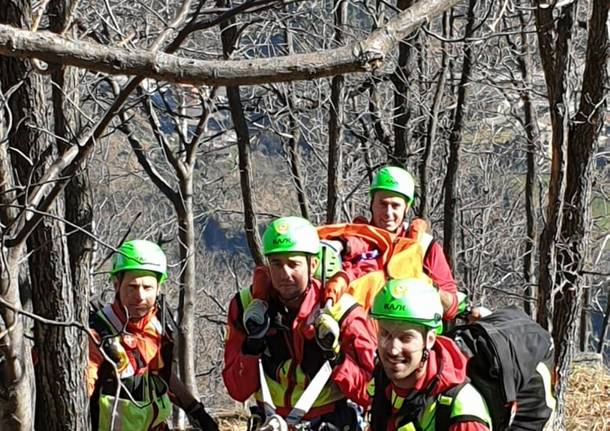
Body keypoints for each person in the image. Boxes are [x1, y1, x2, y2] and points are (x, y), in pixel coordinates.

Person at [223, 216, 377, 430]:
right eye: (276, 264)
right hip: (270, 421)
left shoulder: (343, 311)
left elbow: (370, 393)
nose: (285, 274)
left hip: (327, 422)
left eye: (294, 264)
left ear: (312, 264)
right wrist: (252, 347)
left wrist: (336, 358)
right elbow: (237, 390)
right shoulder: (244, 307)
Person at [88, 239, 218, 431]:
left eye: (147, 287)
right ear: (116, 285)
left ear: (159, 288)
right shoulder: (97, 334)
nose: (140, 296)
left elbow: (162, 374)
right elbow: (81, 389)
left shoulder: (157, 327)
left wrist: (196, 411)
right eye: (132, 287)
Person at [368, 277, 491, 431]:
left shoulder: (463, 412)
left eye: (406, 338)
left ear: (430, 340)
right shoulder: (382, 382)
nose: (393, 349)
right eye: (385, 334)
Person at [346, 166, 458, 320]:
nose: (388, 213)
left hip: (409, 337)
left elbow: (450, 308)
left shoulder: (425, 247)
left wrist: (426, 285)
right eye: (383, 204)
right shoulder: (352, 243)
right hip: (359, 334)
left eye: (395, 205)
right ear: (372, 204)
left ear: (407, 207)